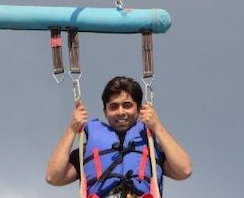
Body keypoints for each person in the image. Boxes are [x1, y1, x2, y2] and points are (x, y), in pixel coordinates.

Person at [46, 76, 192, 198]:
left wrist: (157, 126)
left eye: (127, 105)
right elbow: (53, 177)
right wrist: (72, 128)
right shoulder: (88, 150)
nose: (120, 112)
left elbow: (184, 170)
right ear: (105, 111)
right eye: (113, 106)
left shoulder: (151, 147)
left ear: (139, 109)